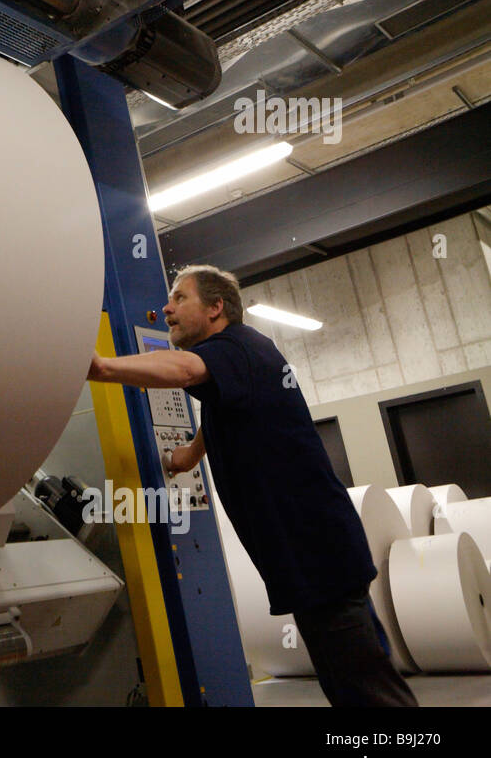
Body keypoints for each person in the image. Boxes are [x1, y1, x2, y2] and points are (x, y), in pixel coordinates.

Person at [86, 264, 417, 707]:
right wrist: (188, 455)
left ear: (216, 307)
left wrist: (103, 367)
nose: (166, 308)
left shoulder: (236, 346)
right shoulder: (243, 359)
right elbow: (224, 409)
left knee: (366, 690)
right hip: (313, 557)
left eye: (180, 298)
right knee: (356, 680)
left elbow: (184, 370)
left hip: (317, 555)